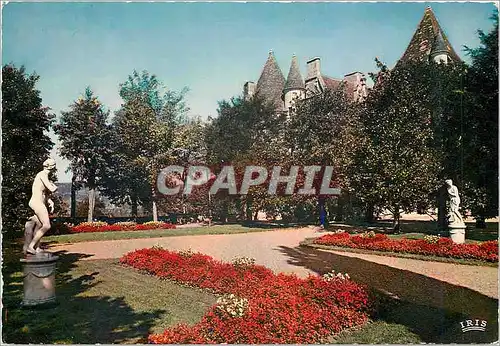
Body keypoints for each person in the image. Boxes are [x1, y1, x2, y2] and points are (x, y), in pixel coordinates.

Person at [23, 158, 58, 255]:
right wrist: (54, 186)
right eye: (54, 165)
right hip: (37, 203)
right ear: (50, 166)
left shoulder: (44, 175)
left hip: (38, 202)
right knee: (46, 225)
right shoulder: (42, 174)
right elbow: (51, 189)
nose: (55, 167)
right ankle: (31, 246)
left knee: (39, 225)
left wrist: (50, 201)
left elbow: (42, 192)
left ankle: (37, 248)